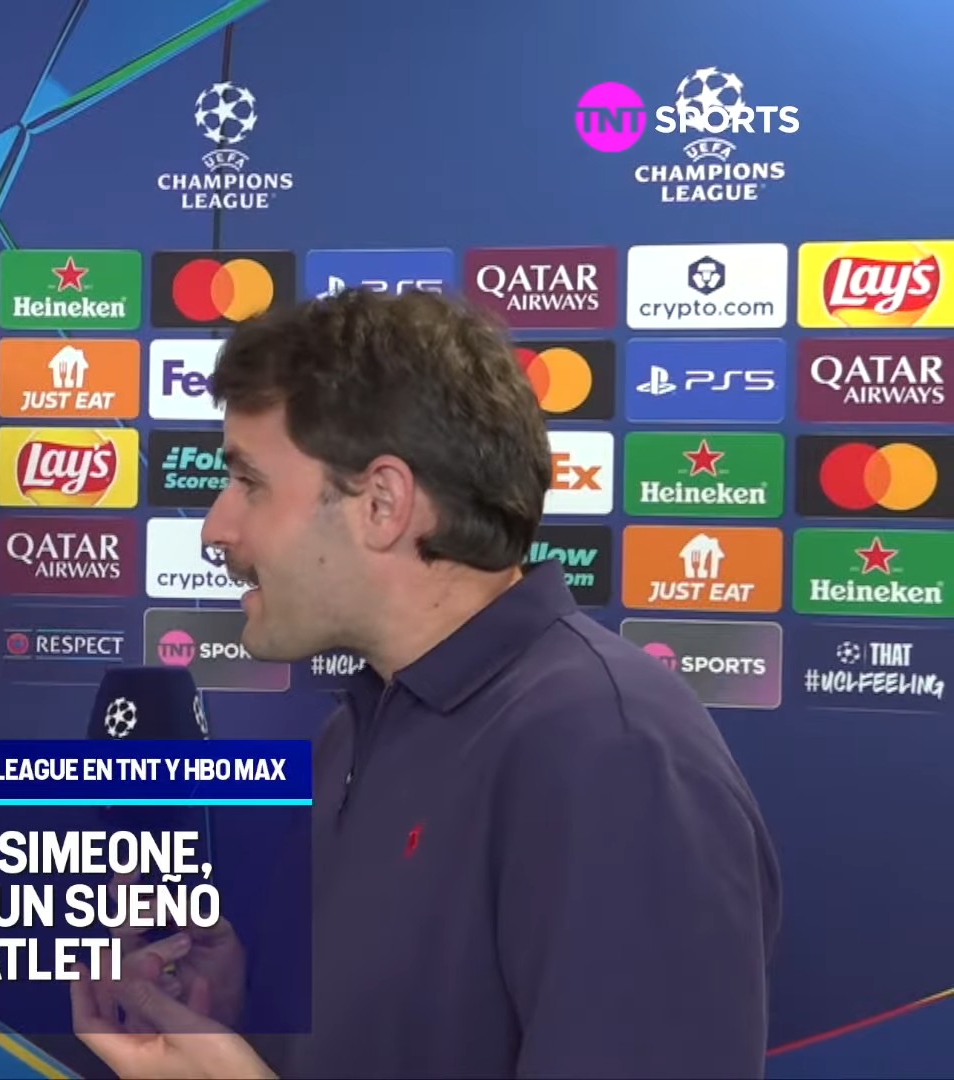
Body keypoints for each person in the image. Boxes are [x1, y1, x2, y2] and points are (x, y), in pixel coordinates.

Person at [72, 288, 782, 1079]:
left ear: (383, 503)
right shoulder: (361, 728)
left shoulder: (611, 754)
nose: (216, 528)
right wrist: (248, 1019)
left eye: (250, 482)